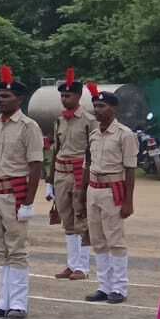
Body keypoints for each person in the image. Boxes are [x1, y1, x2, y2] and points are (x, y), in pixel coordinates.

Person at [0, 66, 43, 319]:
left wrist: (28, 202)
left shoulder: (29, 127)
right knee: (0, 249)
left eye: (7, 96)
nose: (1, 100)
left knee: (17, 249)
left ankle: (18, 303)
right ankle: (3, 300)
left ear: (20, 99)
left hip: (14, 193)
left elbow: (36, 165)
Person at [81, 83, 137, 304]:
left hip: (113, 189)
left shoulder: (125, 135)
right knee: (98, 240)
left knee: (115, 240)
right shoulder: (94, 135)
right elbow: (88, 164)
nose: (97, 110)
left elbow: (130, 170)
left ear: (114, 109)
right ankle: (104, 286)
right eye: (95, 105)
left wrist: (128, 201)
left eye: (102, 106)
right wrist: (82, 191)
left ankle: (119, 288)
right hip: (94, 189)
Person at [50, 68, 96, 280]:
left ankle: (83, 267)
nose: (64, 98)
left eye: (68, 95)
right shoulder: (59, 120)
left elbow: (93, 151)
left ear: (78, 97)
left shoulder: (88, 121)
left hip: (80, 173)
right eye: (62, 95)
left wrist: (89, 179)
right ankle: (71, 263)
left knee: (82, 219)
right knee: (67, 220)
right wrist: (50, 180)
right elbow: (55, 149)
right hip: (61, 172)